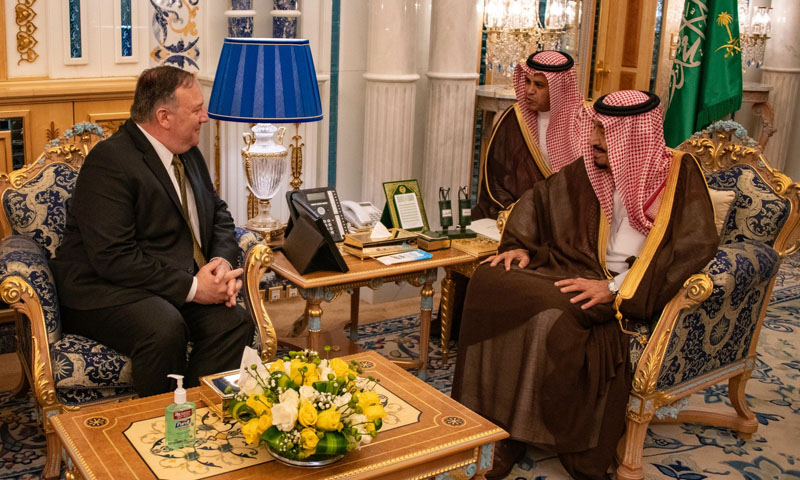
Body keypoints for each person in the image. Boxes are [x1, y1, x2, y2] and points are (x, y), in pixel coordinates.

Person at [451, 90, 719, 479]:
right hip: (574, 265)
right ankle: (492, 426)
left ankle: (527, 431)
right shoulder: (591, 167)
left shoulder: (678, 176)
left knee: (555, 316)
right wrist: (522, 245)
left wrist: (615, 288)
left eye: (604, 132)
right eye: (594, 128)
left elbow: (692, 247)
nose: (593, 139)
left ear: (632, 135)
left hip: (630, 286)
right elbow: (540, 200)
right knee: (489, 280)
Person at [50, 66, 254, 398]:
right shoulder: (110, 161)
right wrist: (194, 288)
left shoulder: (188, 152)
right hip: (105, 288)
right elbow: (113, 257)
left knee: (234, 323)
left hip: (165, 282)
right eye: (196, 109)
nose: (205, 117)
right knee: (163, 328)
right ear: (164, 117)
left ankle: (191, 409)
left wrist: (220, 264)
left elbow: (217, 211)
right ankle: (159, 421)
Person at [472, 49, 584, 220]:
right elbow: (495, 178)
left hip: (566, 217)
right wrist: (516, 213)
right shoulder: (514, 118)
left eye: (539, 85)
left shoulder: (583, 122)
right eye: (527, 81)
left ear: (559, 89)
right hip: (516, 214)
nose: (529, 91)